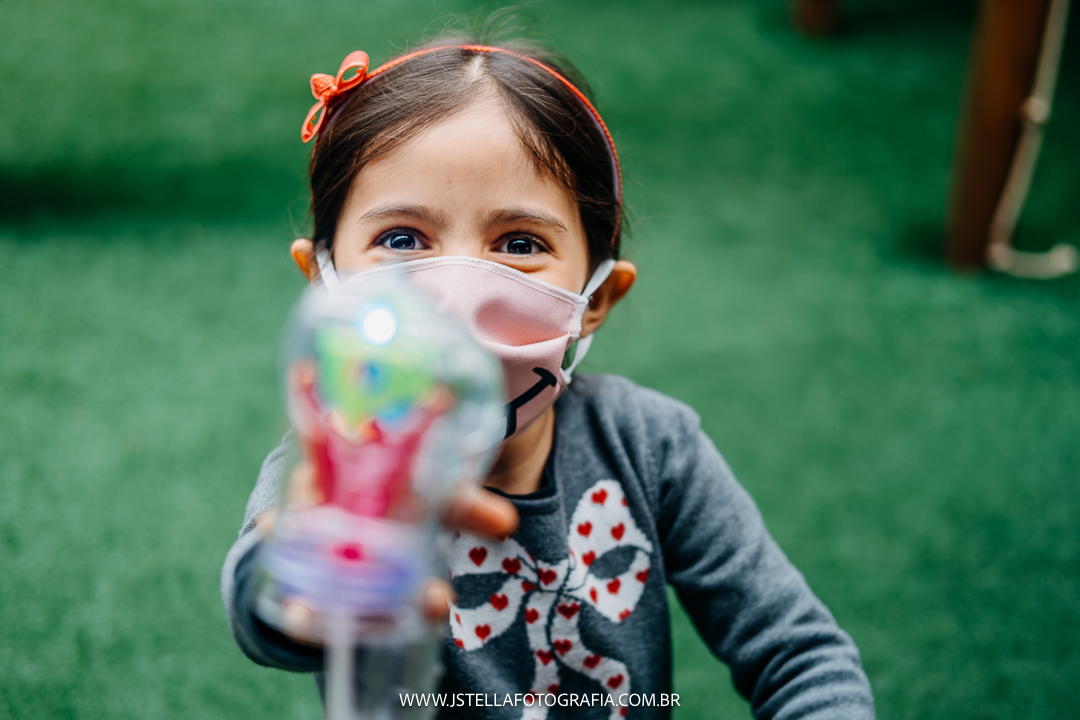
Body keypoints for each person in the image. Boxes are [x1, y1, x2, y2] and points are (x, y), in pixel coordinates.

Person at [221, 33, 876, 720]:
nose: (454, 295)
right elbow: (261, 611)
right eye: (404, 239)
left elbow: (799, 655)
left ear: (595, 299)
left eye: (520, 245)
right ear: (324, 287)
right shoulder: (336, 471)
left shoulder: (651, 446)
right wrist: (304, 560)